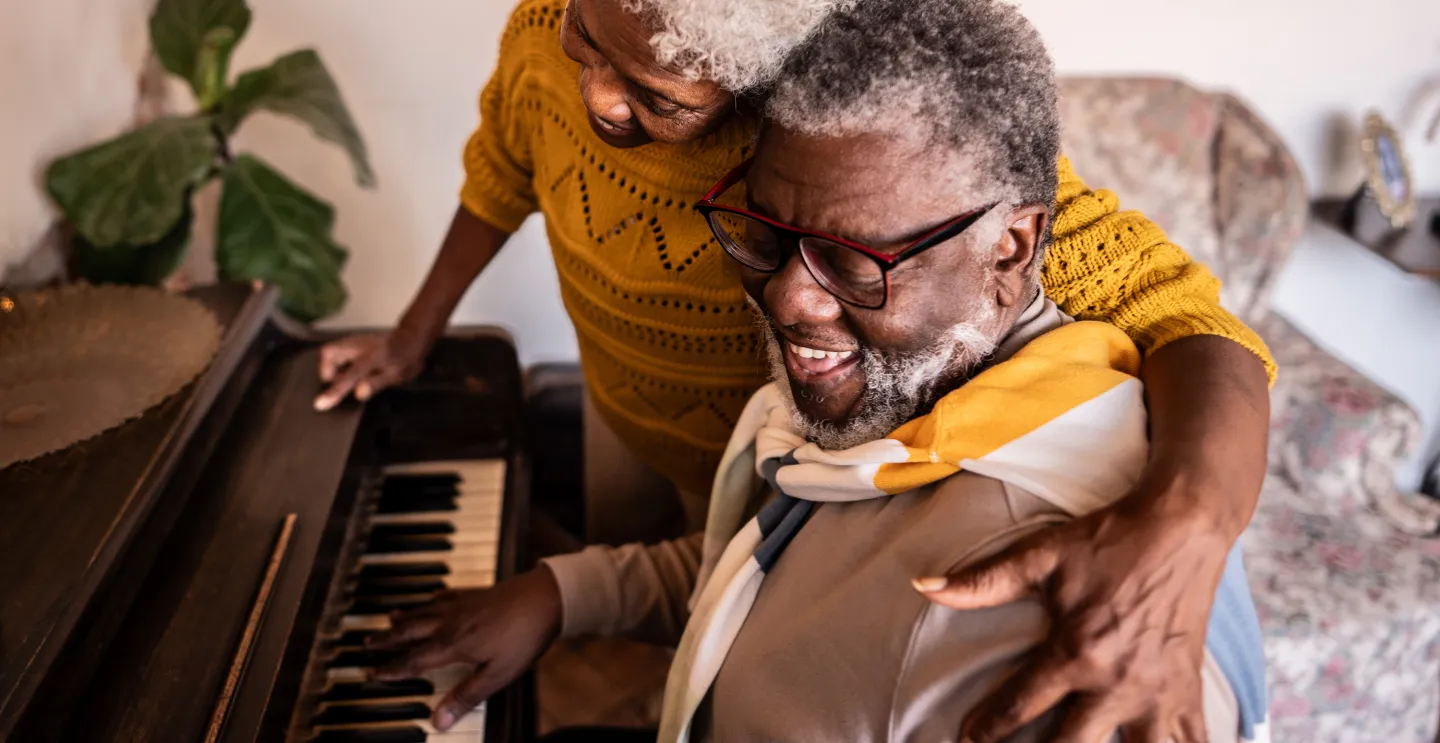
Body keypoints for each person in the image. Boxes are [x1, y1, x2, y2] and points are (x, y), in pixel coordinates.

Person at [325, 0, 1274, 736]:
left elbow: (1190, 319)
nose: (600, 98)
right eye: (587, 39)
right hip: (644, 413)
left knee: (738, 632)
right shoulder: (554, 26)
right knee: (682, 614)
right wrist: (415, 331)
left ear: (759, 81)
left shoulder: (862, 147)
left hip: (771, 442)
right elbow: (502, 162)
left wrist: (1186, 525)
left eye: (659, 96)